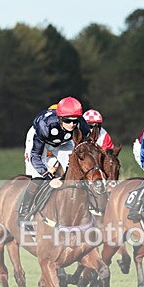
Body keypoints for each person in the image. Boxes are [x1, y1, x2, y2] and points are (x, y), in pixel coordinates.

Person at [18, 96, 91, 227]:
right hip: (41, 142)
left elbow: (86, 146)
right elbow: (35, 155)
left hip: (64, 142)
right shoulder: (45, 126)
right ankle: (24, 214)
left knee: (74, 170)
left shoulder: (82, 125)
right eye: (67, 121)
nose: (72, 125)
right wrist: (46, 174)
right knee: (38, 177)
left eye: (75, 121)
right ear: (59, 118)